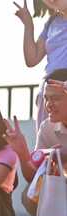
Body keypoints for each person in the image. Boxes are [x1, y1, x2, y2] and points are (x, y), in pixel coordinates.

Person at [4, 68, 67, 216]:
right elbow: (34, 178)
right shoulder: (48, 127)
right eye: (46, 98)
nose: (48, 105)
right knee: (31, 196)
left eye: (55, 98)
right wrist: (23, 153)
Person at [14, 0, 67, 129]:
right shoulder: (51, 23)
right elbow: (32, 59)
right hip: (48, 91)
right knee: (46, 142)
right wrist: (28, 24)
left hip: (64, 89)